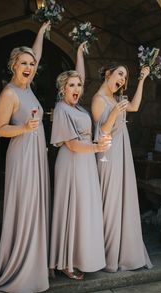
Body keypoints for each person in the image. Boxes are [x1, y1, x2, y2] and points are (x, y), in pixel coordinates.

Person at [0, 22, 51, 293]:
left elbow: (37, 54)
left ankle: (34, 266)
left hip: (37, 157)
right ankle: (18, 269)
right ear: (13, 65)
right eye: (23, 63)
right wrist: (23, 128)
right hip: (21, 157)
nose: (29, 67)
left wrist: (42, 31)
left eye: (31, 64)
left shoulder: (28, 86)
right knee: (24, 209)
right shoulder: (9, 92)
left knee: (36, 208)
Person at [49, 43, 111, 280]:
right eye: (71, 85)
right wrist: (97, 147)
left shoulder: (79, 107)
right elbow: (73, 144)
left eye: (78, 86)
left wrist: (78, 54)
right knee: (72, 208)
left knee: (84, 210)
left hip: (85, 162)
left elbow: (80, 76)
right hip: (72, 161)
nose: (76, 88)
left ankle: (83, 256)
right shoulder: (62, 109)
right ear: (62, 90)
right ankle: (66, 261)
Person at [91, 63, 153, 272]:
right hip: (108, 154)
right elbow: (101, 132)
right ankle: (108, 256)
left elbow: (134, 106)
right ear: (107, 73)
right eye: (119, 74)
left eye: (125, 77)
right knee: (110, 203)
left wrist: (142, 79)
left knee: (123, 200)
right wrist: (114, 112)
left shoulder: (116, 99)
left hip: (122, 154)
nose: (122, 80)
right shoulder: (98, 100)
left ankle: (122, 252)